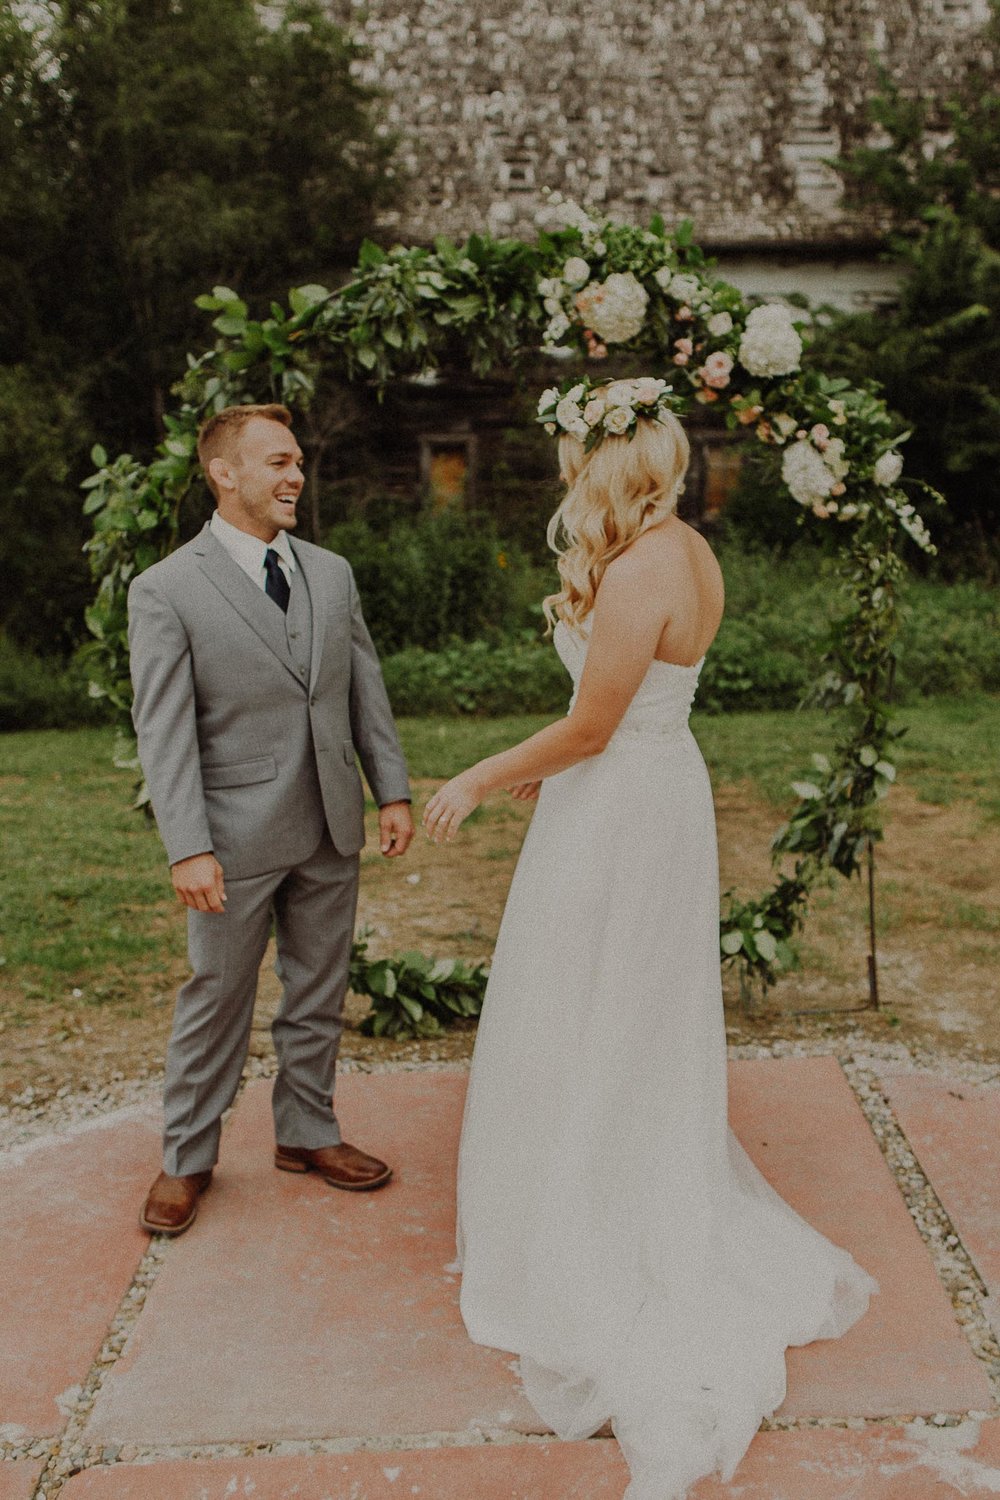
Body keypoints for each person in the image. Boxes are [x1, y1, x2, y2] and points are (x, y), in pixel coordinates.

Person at [423, 378, 877, 1500]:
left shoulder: (638, 568)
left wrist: (483, 775)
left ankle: (595, 1221)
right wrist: (559, 776)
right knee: (610, 998)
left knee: (597, 1004)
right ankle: (584, 1177)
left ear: (608, 467)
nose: (566, 474)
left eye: (576, 456)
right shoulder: (691, 550)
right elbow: (621, 720)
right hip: (638, 793)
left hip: (624, 814)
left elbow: (591, 722)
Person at [128, 402, 413, 1236]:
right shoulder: (166, 589)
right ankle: (186, 1157)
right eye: (278, 463)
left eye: (297, 463)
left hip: (331, 822)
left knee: (319, 989)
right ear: (226, 473)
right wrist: (188, 847)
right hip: (232, 836)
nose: (296, 476)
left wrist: (389, 789)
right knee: (217, 996)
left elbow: (366, 689)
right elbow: (165, 730)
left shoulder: (331, 573)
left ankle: (308, 1132)